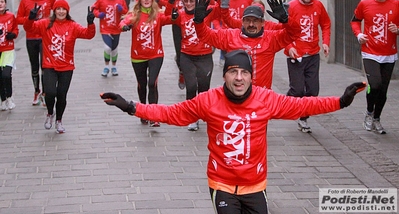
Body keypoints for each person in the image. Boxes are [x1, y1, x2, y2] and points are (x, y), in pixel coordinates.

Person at [100, 49, 366, 214]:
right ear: (224, 76)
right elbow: (172, 113)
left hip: (255, 185)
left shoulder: (266, 99)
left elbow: (301, 105)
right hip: (222, 183)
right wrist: (131, 107)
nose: (239, 77)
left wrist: (340, 102)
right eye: (233, 72)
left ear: (252, 76)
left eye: (244, 72)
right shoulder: (208, 100)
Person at [141, 0, 236, 90]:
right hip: (178, 21)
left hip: (196, 22)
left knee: (195, 46)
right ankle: (182, 71)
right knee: (180, 54)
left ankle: (195, 71)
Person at [193, 0, 299, 90]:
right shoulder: (230, 36)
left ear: (263, 23)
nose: (251, 24)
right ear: (242, 22)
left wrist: (286, 20)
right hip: (236, 94)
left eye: (255, 20)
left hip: (262, 95)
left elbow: (295, 33)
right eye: (248, 20)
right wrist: (198, 22)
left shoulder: (272, 39)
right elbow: (205, 35)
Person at [23, 0, 96, 133]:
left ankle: (59, 120)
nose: (61, 12)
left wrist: (90, 23)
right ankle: (50, 113)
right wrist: (30, 18)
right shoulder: (46, 24)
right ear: (54, 11)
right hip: (49, 65)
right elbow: (29, 28)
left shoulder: (72, 25)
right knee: (50, 93)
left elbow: (88, 35)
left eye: (64, 9)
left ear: (67, 11)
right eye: (58, 9)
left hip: (66, 67)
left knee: (61, 95)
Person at [350, 0, 399, 134]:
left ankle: (377, 118)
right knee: (375, 84)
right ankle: (369, 112)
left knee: (383, 90)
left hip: (389, 54)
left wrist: (398, 30)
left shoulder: (396, 5)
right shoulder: (365, 4)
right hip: (370, 52)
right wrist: (359, 35)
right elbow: (355, 21)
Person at [119, 0, 175, 127]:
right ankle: (142, 110)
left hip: (156, 54)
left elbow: (170, 17)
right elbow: (122, 23)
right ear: (139, 1)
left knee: (152, 83)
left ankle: (154, 115)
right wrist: (125, 27)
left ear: (152, 0)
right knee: (142, 85)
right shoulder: (134, 15)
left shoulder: (158, 15)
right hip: (138, 56)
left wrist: (174, 10)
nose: (146, 0)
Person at [283, 0, 331, 133]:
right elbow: (281, 30)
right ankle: (284, 104)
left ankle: (303, 118)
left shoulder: (318, 6)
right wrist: (289, 47)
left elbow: (325, 24)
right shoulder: (290, 6)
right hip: (295, 54)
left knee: (312, 91)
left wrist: (326, 42)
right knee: (296, 90)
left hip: (312, 54)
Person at [167, 0, 218, 131]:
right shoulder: (180, 15)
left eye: (191, 1)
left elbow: (222, 9)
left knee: (204, 88)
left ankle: (204, 113)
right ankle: (192, 117)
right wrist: (171, 3)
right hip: (187, 56)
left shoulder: (206, 12)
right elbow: (167, 19)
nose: (189, 4)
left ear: (197, 2)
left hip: (205, 56)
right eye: (186, 1)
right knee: (191, 87)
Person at [16, 0, 56, 106]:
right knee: (34, 67)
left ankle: (45, 93)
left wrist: (51, 22)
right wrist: (30, 18)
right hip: (31, 37)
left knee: (45, 66)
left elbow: (59, 12)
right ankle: (36, 91)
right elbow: (18, 19)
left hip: (45, 37)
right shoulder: (25, 0)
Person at [91, 0, 128, 77]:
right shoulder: (101, 0)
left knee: (114, 49)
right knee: (107, 48)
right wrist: (98, 14)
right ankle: (106, 66)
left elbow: (126, 12)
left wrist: (121, 10)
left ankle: (114, 67)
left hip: (117, 28)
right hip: (105, 28)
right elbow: (94, 8)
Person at [0, 0, 19, 111]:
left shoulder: (11, 16)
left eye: (2, 1)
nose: (0, 4)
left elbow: (16, 29)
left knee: (6, 75)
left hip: (8, 50)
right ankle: (3, 100)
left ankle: (9, 97)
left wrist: (13, 34)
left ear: (5, 4)